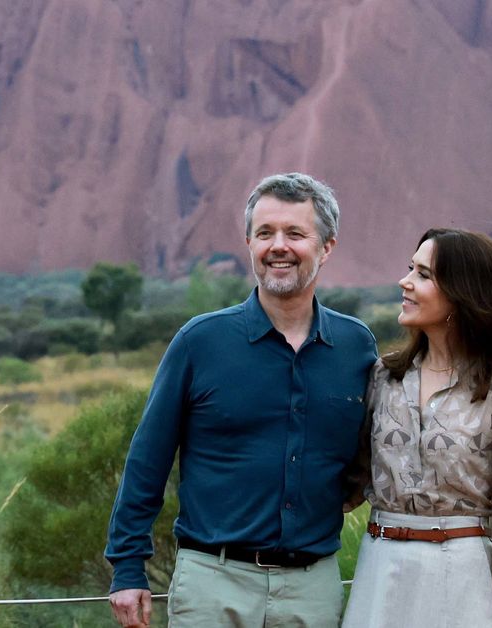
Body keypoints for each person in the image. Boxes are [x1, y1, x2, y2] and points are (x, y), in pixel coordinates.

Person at [106, 173, 378, 628]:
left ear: (327, 247)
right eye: (266, 233)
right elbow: (147, 460)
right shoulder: (200, 342)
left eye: (295, 233)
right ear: (248, 242)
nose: (279, 246)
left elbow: (369, 453)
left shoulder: (356, 347)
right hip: (213, 582)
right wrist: (128, 568)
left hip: (313, 587)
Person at [341, 228, 492, 628]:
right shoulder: (384, 378)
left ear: (463, 294)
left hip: (463, 581)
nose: (405, 282)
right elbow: (349, 480)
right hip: (379, 574)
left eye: (423, 274)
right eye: (410, 269)